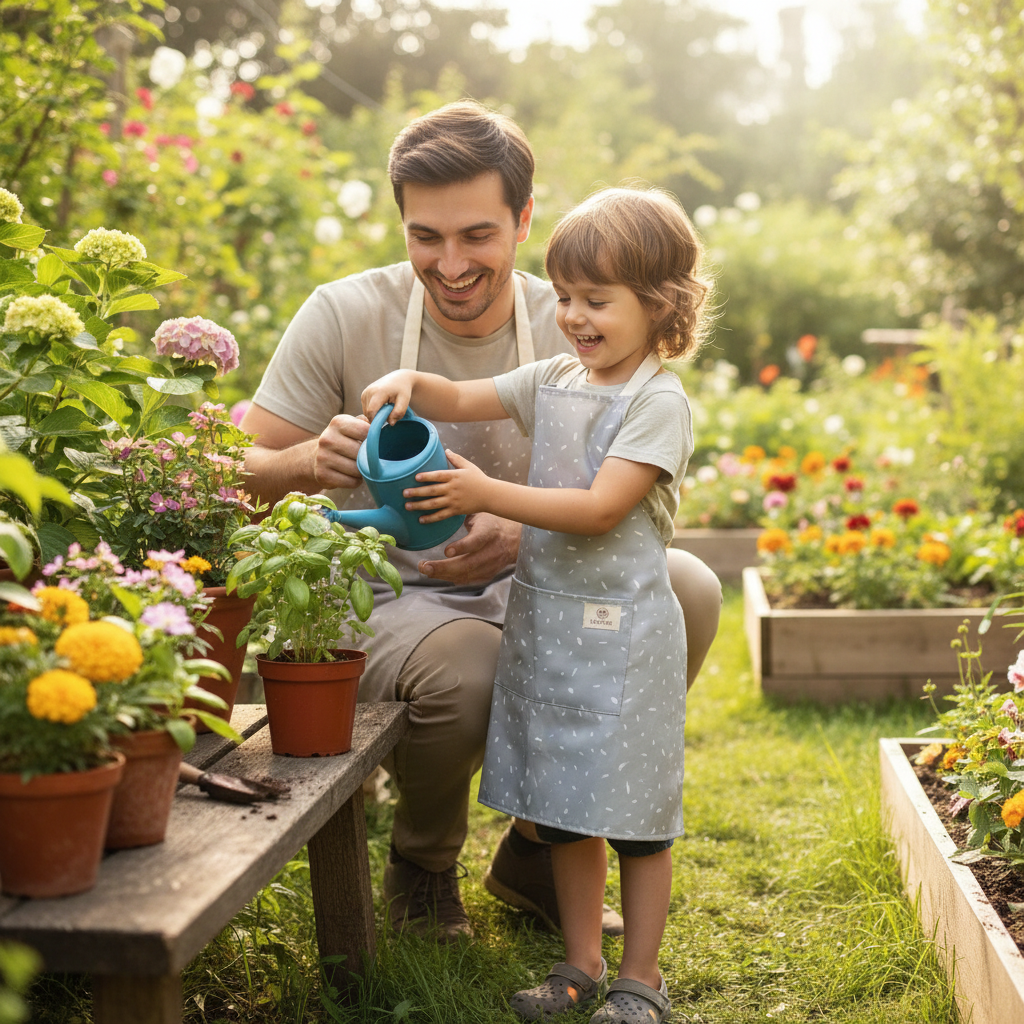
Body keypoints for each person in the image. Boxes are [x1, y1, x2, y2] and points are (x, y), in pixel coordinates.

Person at [240, 101, 722, 944]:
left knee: (688, 588)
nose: (452, 264)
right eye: (426, 237)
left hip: (540, 572)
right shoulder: (344, 313)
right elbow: (236, 472)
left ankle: (538, 846)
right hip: (390, 593)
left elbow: (620, 501)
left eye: (477, 236)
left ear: (523, 219)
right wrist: (306, 460)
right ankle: (423, 864)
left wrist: (518, 528)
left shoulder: (577, 317)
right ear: (401, 224)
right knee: (468, 665)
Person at [360, 185, 704, 1023]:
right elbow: (466, 397)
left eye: (598, 300)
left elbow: (599, 508)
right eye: (567, 297)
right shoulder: (556, 375)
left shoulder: (657, 402)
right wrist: (413, 382)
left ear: (660, 306)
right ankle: (580, 964)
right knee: (565, 808)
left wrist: (487, 491)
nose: (574, 316)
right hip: (554, 629)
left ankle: (642, 979)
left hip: (625, 642)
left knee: (636, 821)